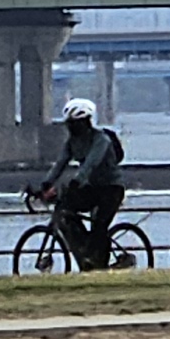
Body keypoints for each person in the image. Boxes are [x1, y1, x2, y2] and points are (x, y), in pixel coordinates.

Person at [28, 94, 129, 269]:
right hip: (92, 187)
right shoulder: (72, 142)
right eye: (69, 124)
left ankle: (99, 260)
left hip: (111, 188)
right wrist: (46, 184)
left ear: (85, 122)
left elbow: (90, 163)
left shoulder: (101, 140)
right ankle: (86, 250)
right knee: (65, 210)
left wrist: (76, 182)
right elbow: (60, 164)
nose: (70, 128)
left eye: (74, 124)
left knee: (100, 224)